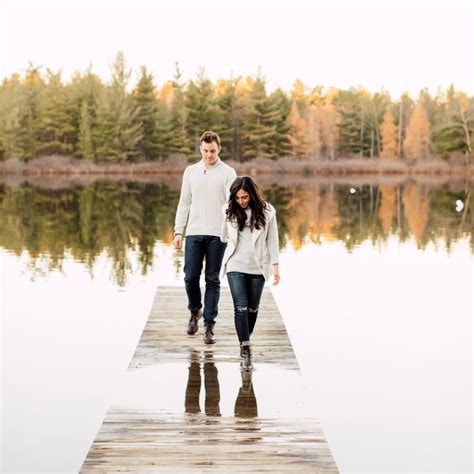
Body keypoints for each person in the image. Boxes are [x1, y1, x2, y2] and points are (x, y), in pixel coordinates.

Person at [173, 131, 237, 344]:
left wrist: (232, 231)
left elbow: (232, 204)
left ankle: (209, 324)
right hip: (193, 232)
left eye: (212, 151)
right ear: (200, 149)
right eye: (205, 150)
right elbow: (184, 203)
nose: (209, 154)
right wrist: (178, 231)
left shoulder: (228, 173)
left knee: (212, 278)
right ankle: (195, 311)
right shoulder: (190, 172)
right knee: (190, 276)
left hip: (217, 234)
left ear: (219, 149)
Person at [220, 176, 280, 371]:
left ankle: (245, 337)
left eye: (244, 197)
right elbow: (223, 236)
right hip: (235, 264)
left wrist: (276, 266)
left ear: (252, 195)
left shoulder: (267, 212)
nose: (241, 202)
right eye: (237, 198)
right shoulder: (228, 210)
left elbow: (273, 240)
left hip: (258, 266)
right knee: (241, 308)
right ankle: (246, 350)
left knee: (253, 308)